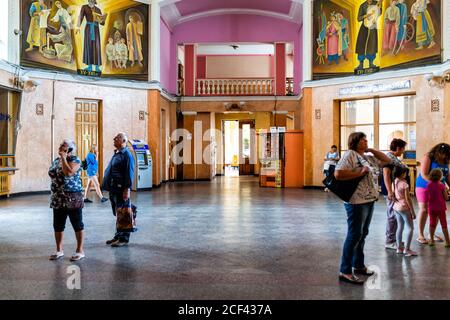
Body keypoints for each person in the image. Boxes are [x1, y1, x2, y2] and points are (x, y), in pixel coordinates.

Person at [335, 132, 392, 284]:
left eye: (366, 139)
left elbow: (387, 160)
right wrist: (359, 172)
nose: (366, 141)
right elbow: (338, 174)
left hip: (369, 199)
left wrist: (372, 150)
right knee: (354, 234)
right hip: (356, 201)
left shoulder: (368, 157)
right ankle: (345, 270)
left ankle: (358, 265)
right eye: (362, 139)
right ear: (355, 141)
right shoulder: (350, 155)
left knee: (363, 233)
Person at [48, 139, 85, 261]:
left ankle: (80, 250)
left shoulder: (75, 160)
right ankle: (59, 250)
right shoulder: (56, 160)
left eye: (63, 145)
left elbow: (68, 173)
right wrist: (61, 158)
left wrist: (64, 158)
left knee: (77, 224)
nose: (60, 146)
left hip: (72, 197)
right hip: (58, 197)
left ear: (69, 149)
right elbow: (52, 173)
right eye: (60, 144)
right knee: (58, 225)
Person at [102, 132, 135, 247]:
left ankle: (124, 238)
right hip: (114, 188)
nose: (114, 138)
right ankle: (118, 235)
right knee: (118, 213)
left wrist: (127, 189)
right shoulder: (117, 153)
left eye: (117, 138)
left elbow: (129, 173)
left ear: (123, 141)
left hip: (121, 189)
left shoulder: (127, 155)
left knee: (124, 213)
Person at [415, 143, 450, 244]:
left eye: (447, 155)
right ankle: (420, 235)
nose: (445, 157)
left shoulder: (446, 160)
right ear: (438, 152)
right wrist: (435, 184)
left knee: (438, 210)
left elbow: (447, 176)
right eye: (444, 154)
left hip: (439, 188)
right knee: (424, 209)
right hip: (424, 186)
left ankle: (431, 234)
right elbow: (424, 174)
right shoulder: (428, 156)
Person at [382, 138, 408, 250]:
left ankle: (394, 239)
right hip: (391, 190)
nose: (403, 151)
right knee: (392, 216)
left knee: (396, 215)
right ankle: (389, 241)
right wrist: (390, 191)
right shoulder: (388, 158)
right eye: (402, 149)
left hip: (395, 190)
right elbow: (386, 174)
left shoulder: (394, 158)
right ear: (398, 148)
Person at [392, 166, 417, 256]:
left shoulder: (394, 181)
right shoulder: (404, 184)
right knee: (410, 228)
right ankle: (407, 249)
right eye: (405, 173)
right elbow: (408, 199)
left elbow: (392, 194)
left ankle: (399, 248)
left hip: (396, 207)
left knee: (400, 227)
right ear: (402, 174)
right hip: (404, 208)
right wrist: (413, 212)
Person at [76, 0, 105, 72]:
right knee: (88, 46)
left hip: (96, 29)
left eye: (92, 1)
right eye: (89, 0)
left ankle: (97, 67)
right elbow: (81, 17)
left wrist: (102, 20)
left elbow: (102, 23)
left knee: (96, 47)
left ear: (94, 1)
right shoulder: (84, 7)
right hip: (88, 28)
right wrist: (78, 27)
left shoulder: (98, 9)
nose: (90, 2)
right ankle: (89, 67)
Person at [355, 0, 382, 70]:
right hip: (364, 26)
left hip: (372, 27)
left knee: (372, 45)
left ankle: (371, 63)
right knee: (361, 45)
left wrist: (379, 7)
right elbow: (358, 18)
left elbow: (379, 13)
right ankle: (361, 64)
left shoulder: (376, 3)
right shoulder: (362, 5)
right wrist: (366, 15)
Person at [426, 169, 450, 247]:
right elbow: (446, 198)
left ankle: (431, 240)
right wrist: (446, 191)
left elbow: (427, 196)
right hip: (441, 208)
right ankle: (447, 241)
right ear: (440, 176)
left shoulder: (428, 185)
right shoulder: (441, 185)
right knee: (444, 224)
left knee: (432, 223)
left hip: (431, 208)